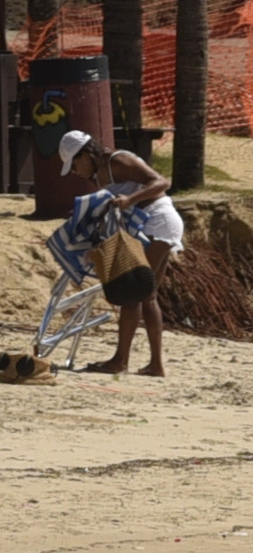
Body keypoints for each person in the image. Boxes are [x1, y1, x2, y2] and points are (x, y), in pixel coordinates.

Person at [53, 132, 182, 377]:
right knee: (148, 294)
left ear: (87, 154)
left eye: (75, 164)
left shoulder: (117, 161)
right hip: (155, 226)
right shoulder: (99, 174)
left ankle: (120, 360)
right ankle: (156, 365)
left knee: (132, 291)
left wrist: (130, 199)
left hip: (158, 220)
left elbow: (161, 182)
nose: (76, 171)